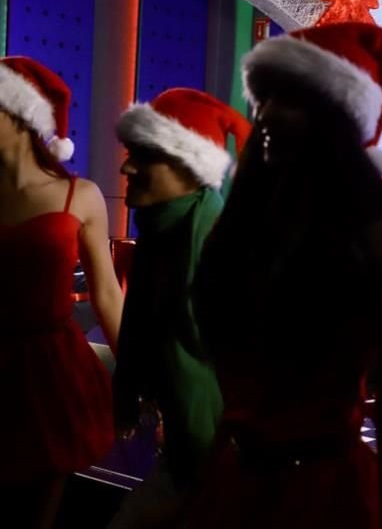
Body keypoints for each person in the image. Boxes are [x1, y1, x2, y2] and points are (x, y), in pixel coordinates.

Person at [188, 22, 382, 529]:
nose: (266, 115)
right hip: (234, 477)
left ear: (337, 114)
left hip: (321, 492)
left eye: (290, 99)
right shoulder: (247, 220)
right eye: (265, 97)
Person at [108, 87, 251, 528]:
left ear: (189, 167)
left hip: (224, 466)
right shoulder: (162, 233)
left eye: (143, 155)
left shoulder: (221, 246)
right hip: (190, 455)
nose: (126, 166)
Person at [0, 56, 122, 528]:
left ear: (20, 115)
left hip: (49, 375)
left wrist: (143, 376)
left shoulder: (82, 196)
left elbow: (107, 296)